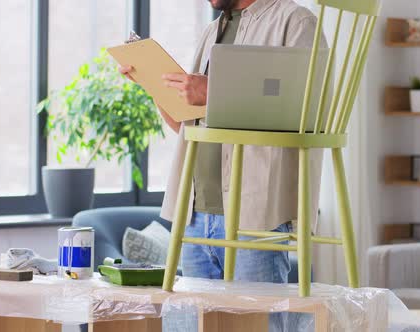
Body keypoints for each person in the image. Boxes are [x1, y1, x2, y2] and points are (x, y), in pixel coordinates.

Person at [120, 0, 325, 330]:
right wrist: (153, 85)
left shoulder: (295, 21)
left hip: (254, 215)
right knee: (191, 327)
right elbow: (188, 127)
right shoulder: (212, 31)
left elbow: (302, 112)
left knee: (259, 326)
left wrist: (211, 90)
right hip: (195, 214)